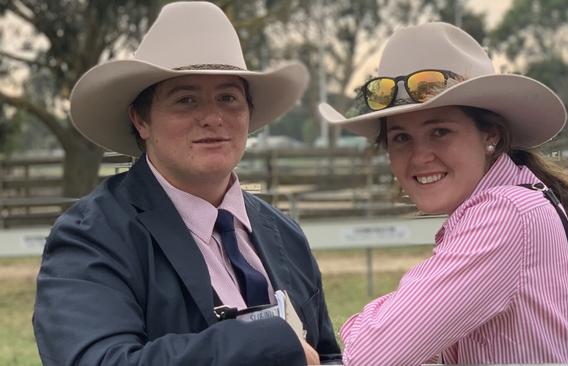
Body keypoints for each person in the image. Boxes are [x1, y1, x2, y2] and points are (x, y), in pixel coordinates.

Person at [32, 2, 340, 365]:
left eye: (228, 98)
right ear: (141, 120)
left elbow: (326, 356)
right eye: (186, 100)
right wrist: (268, 342)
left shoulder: (285, 235)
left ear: (249, 114)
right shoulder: (94, 236)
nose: (212, 117)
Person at [318, 22, 568, 365]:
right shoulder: (521, 200)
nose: (420, 157)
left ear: (490, 135)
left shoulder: (504, 215)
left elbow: (371, 356)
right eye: (401, 137)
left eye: (440, 131)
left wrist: (363, 324)